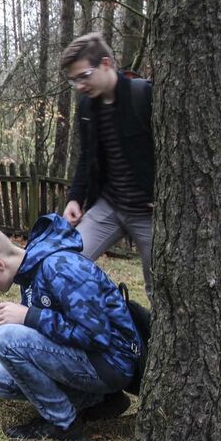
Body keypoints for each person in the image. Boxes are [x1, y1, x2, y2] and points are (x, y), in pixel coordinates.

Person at [0, 216, 142, 441]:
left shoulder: (61, 267)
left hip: (111, 364)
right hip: (91, 360)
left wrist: (31, 317)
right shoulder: (31, 275)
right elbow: (30, 340)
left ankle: (64, 424)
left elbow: (97, 335)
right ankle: (100, 400)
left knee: (6, 337)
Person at [60, 33, 154, 300]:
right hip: (110, 206)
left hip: (149, 214)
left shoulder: (144, 95)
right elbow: (86, 157)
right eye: (73, 80)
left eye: (83, 76)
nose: (79, 85)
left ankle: (154, 340)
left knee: (158, 289)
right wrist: (75, 198)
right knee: (67, 263)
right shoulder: (88, 106)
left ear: (106, 64)